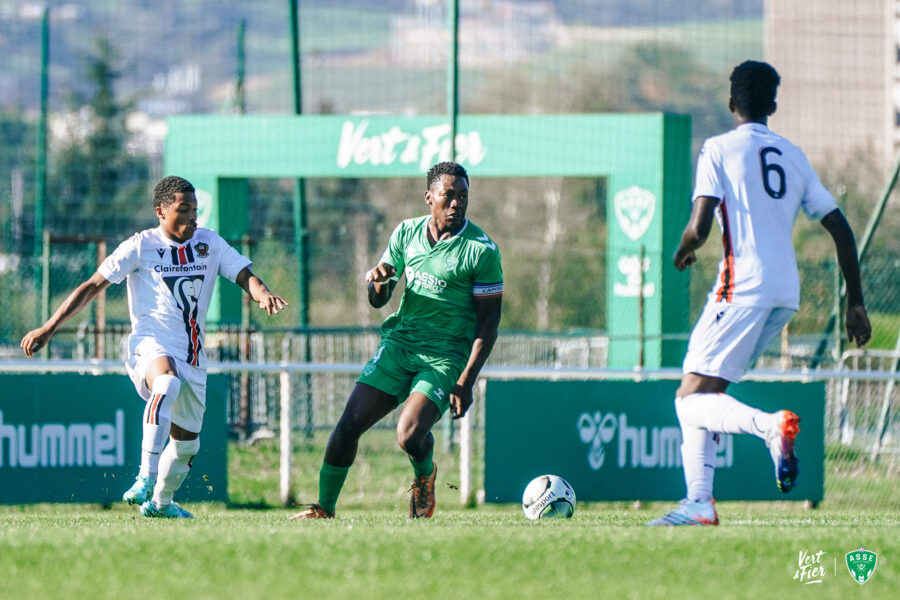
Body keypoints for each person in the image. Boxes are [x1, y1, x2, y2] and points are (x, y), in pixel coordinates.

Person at [649, 61, 871, 526]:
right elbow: (842, 230)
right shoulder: (793, 154)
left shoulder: (718, 149)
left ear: (731, 102)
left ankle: (769, 430)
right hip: (784, 292)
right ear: (772, 104)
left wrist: (682, 251)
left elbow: (700, 226)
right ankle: (700, 504)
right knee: (706, 397)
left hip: (741, 287)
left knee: (688, 397)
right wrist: (855, 302)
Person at [21, 175, 288, 518]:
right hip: (149, 346)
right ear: (161, 211)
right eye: (184, 209)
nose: (193, 217)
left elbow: (243, 273)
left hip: (194, 357)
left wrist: (262, 292)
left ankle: (161, 504)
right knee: (167, 381)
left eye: (195, 209)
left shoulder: (209, 244)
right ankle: (144, 476)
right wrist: (49, 327)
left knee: (187, 445)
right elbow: (91, 286)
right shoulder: (140, 246)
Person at [290, 161, 503, 519]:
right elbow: (378, 299)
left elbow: (489, 323)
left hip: (444, 357)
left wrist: (466, 381)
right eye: (448, 196)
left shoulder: (482, 250)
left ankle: (425, 475)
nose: (456, 204)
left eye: (463, 197)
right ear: (429, 197)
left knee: (407, 436)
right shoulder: (406, 233)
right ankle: (324, 509)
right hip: (399, 346)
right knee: (348, 425)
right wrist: (380, 281)